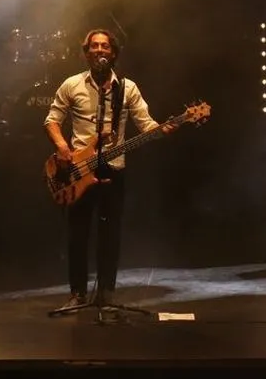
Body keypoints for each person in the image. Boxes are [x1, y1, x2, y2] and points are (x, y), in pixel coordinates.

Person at [44, 29, 175, 310]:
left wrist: (164, 129)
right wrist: (62, 147)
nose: (99, 50)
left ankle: (106, 294)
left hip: (113, 170)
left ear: (113, 53)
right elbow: (52, 119)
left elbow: (146, 125)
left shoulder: (127, 88)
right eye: (94, 46)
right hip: (78, 170)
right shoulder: (72, 84)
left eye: (105, 46)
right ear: (86, 52)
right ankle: (77, 293)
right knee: (77, 235)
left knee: (110, 235)